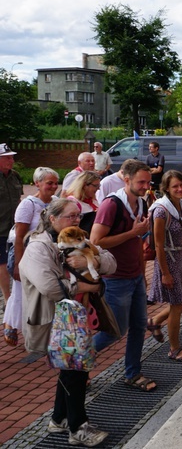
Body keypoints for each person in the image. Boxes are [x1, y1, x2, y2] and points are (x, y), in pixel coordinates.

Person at [20, 198, 115, 447]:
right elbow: (51, 287)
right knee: (75, 371)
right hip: (54, 319)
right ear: (52, 219)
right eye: (70, 216)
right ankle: (78, 428)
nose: (77, 221)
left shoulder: (77, 237)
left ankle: (59, 419)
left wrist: (89, 262)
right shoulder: (38, 247)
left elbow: (110, 262)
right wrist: (90, 284)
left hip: (77, 316)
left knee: (71, 369)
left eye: (78, 216)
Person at [90, 159, 157, 392]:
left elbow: (138, 241)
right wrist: (132, 233)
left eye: (148, 182)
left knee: (139, 327)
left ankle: (132, 373)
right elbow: (96, 241)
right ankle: (78, 360)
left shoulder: (141, 203)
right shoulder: (112, 205)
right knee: (114, 331)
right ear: (126, 179)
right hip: (115, 278)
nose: (145, 186)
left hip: (134, 276)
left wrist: (142, 273)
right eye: (141, 182)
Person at [146, 170, 182, 363]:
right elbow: (158, 244)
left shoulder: (180, 204)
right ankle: (175, 348)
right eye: (175, 186)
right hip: (168, 260)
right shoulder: (161, 210)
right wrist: (165, 273)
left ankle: (155, 321)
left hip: (180, 258)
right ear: (166, 188)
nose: (179, 188)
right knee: (176, 306)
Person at [4, 167, 59, 347]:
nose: (53, 186)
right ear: (37, 183)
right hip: (27, 254)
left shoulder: (57, 202)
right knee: (20, 292)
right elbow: (19, 237)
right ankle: (11, 323)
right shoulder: (28, 204)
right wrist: (19, 264)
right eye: (49, 183)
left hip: (48, 255)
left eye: (55, 183)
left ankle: (42, 330)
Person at [0, 143, 22, 308]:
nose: (11, 160)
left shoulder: (15, 176)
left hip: (15, 228)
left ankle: (18, 294)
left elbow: (19, 200)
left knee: (16, 261)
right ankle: (7, 298)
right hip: (0, 228)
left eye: (12, 157)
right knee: (2, 263)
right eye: (7, 157)